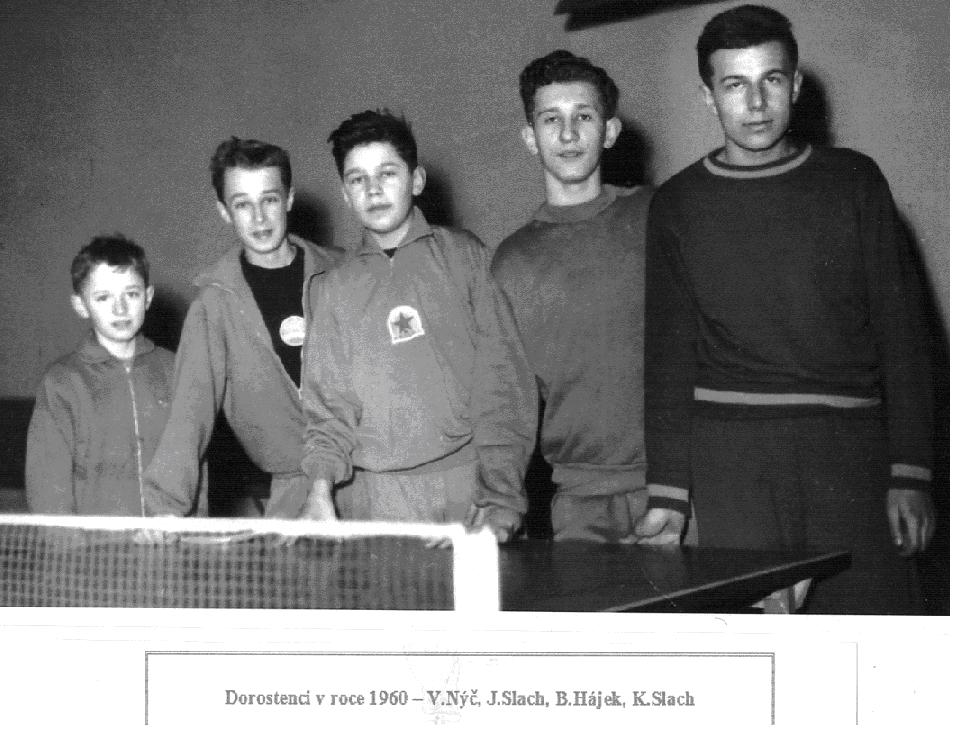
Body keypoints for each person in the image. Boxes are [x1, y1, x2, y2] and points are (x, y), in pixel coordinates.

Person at [640, 5, 935, 613]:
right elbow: (667, 357)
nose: (756, 103)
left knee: (871, 640)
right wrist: (668, 494)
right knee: (760, 652)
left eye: (771, 79)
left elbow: (905, 334)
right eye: (734, 84)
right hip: (734, 460)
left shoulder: (854, 180)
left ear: (796, 85)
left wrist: (911, 471)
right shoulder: (677, 203)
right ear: (708, 96)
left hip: (850, 454)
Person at [299, 110, 537, 541]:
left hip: (467, 490)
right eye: (357, 179)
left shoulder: (465, 258)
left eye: (387, 173)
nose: (373, 190)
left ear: (417, 180)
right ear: (345, 194)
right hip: (371, 502)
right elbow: (327, 411)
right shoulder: (332, 289)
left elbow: (502, 385)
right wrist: (319, 490)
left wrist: (501, 499)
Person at [491, 50, 656, 542]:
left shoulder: (657, 215)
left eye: (583, 116)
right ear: (530, 137)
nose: (567, 134)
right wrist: (500, 501)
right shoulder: (512, 262)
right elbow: (507, 406)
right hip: (580, 501)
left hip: (678, 488)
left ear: (610, 130)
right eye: (551, 119)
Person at [143, 137, 343, 518]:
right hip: (295, 495)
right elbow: (189, 414)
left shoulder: (342, 272)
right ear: (223, 211)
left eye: (269, 200)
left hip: (370, 479)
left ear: (289, 199)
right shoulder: (213, 305)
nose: (259, 218)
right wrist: (165, 508)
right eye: (242, 204)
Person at [26, 235, 178, 515]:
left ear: (148, 297)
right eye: (103, 297)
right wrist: (70, 543)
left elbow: (193, 465)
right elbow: (47, 489)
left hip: (169, 539)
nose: (120, 308)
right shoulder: (62, 382)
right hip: (95, 542)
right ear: (81, 305)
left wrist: (191, 533)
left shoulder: (175, 369)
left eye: (131, 294)